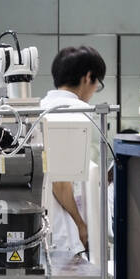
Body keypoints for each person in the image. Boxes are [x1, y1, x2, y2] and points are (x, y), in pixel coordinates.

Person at [40, 46, 107, 263]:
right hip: (62, 229)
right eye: (98, 83)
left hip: (44, 224)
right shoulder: (72, 111)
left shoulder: (42, 106)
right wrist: (81, 225)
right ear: (88, 77)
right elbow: (60, 181)